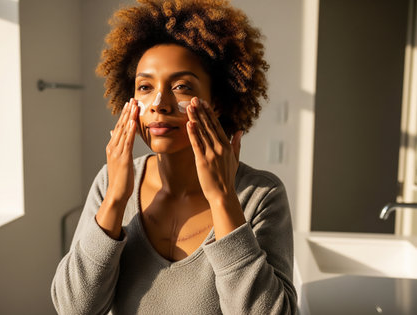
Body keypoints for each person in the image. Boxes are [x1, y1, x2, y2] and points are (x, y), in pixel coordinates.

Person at [51, 0, 297, 314]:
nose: (159, 103)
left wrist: (223, 200)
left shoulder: (260, 195)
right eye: (144, 87)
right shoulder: (110, 182)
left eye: (181, 86)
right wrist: (115, 199)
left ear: (216, 101)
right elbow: (74, 309)